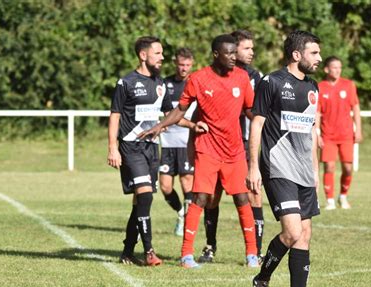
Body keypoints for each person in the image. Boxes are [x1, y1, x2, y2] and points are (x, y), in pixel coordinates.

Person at [140, 34, 258, 269]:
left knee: (242, 198)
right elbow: (180, 110)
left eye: (236, 52)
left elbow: (251, 111)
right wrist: (160, 125)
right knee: (201, 198)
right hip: (207, 149)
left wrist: (271, 127)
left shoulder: (243, 78)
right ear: (216, 54)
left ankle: (252, 254)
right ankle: (186, 255)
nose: (235, 57)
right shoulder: (199, 79)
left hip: (234, 151)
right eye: (230, 53)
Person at [247, 30, 324, 287]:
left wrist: (315, 172)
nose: (319, 58)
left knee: (304, 234)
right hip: (278, 167)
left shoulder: (313, 87)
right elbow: (256, 124)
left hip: (304, 170)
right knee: (291, 232)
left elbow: (311, 133)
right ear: (296, 55)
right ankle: (262, 278)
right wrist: (253, 167)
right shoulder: (273, 82)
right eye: (314, 53)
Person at [199, 29, 265, 265]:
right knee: (212, 196)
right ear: (232, 51)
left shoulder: (256, 76)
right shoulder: (219, 75)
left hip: (249, 144)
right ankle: (210, 246)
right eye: (247, 48)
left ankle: (255, 251)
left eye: (251, 48)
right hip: (221, 144)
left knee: (254, 194)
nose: (251, 52)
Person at [107, 36, 173, 266]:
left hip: (151, 148)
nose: (162, 57)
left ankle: (127, 251)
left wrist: (194, 125)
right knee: (145, 195)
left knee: (140, 202)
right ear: (143, 55)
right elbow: (115, 115)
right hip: (130, 147)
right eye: (157, 53)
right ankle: (149, 252)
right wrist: (113, 148)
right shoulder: (126, 82)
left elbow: (169, 115)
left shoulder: (160, 83)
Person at [316, 56, 362, 210]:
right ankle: (329, 200)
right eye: (334, 67)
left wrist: (359, 130)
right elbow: (316, 113)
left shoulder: (348, 85)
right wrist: (317, 133)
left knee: (348, 168)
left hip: (346, 135)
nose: (337, 70)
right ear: (327, 69)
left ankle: (343, 196)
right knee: (329, 167)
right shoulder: (320, 87)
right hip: (328, 135)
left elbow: (355, 108)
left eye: (339, 67)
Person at [159, 48, 196, 236]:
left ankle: (187, 222)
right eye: (181, 65)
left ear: (192, 65)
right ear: (175, 64)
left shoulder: (195, 83)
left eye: (188, 65)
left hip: (186, 142)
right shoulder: (165, 84)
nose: (184, 69)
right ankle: (181, 213)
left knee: (187, 184)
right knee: (165, 186)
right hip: (167, 143)